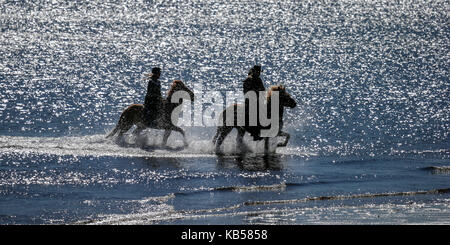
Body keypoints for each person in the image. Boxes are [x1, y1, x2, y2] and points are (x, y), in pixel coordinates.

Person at [243, 65, 265, 140]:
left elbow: (263, 90)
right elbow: (247, 92)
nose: (259, 73)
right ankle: (255, 133)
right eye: (257, 72)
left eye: (259, 72)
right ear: (254, 71)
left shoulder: (259, 80)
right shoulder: (248, 80)